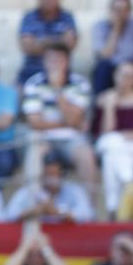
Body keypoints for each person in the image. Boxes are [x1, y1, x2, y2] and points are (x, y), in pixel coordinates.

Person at [22, 44, 97, 190]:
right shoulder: (33, 83)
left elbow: (73, 120)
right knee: (34, 150)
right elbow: (35, 123)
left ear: (67, 61)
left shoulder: (80, 84)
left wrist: (57, 91)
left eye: (58, 59)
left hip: (72, 139)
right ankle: (35, 203)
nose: (54, 63)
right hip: (43, 138)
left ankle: (89, 210)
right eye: (50, 59)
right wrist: (69, 123)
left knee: (86, 156)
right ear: (44, 61)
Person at [95, 60, 133, 216]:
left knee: (111, 154)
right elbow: (105, 131)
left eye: (129, 76)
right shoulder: (105, 99)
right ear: (115, 75)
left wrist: (116, 135)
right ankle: (129, 185)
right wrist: (109, 106)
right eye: (122, 75)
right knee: (112, 144)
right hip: (110, 145)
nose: (125, 79)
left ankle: (112, 206)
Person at [91, 0, 133, 96]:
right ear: (110, 11)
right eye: (117, 10)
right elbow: (105, 55)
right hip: (109, 68)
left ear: (129, 12)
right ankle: (100, 105)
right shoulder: (99, 26)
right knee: (102, 68)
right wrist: (116, 29)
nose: (120, 14)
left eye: (124, 10)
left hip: (131, 65)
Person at [6, 152, 95, 222]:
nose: (49, 180)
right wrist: (32, 212)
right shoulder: (29, 191)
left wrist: (57, 212)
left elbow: (87, 215)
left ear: (62, 175)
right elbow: (9, 214)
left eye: (53, 175)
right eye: (46, 175)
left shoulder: (74, 191)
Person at [18, 0, 78, 85]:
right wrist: (59, 42)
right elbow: (27, 47)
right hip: (32, 70)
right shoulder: (29, 17)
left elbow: (70, 44)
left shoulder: (67, 17)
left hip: (61, 73)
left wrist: (40, 42)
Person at [2, 223, 70, 265]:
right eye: (31, 254)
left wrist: (46, 248)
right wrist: (25, 247)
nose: (35, 259)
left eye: (40, 254)